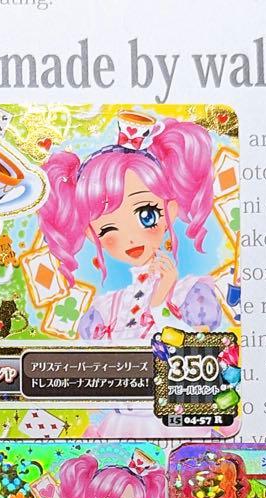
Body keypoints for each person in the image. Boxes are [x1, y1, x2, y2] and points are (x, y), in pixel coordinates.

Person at [38, 113, 223, 340]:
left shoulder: (190, 295)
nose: (131, 238)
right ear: (91, 234)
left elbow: (204, 349)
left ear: (171, 210)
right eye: (107, 229)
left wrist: (159, 304)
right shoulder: (105, 310)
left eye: (147, 215)